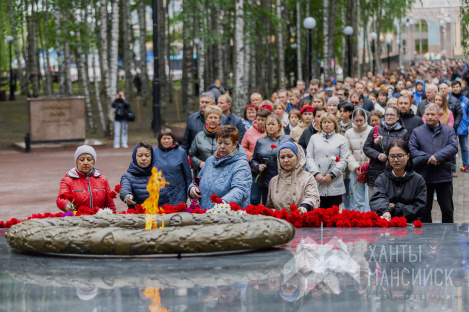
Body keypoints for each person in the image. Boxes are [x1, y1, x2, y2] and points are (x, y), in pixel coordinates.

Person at [409, 103, 459, 223]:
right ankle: (425, 239)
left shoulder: (449, 130)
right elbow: (412, 149)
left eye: (433, 114)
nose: (430, 117)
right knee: (424, 211)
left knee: (447, 211)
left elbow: (453, 146)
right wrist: (429, 158)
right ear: (424, 115)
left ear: (439, 115)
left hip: (443, 177)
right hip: (424, 177)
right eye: (427, 114)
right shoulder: (417, 131)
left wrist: (438, 157)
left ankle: (448, 238)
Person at [188, 126, 251, 209]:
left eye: (226, 143)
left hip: (228, 215)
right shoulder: (210, 160)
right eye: (219, 142)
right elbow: (198, 180)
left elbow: (241, 189)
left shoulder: (241, 164)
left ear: (235, 144)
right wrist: (192, 188)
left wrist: (223, 203)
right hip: (205, 214)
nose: (222, 146)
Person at [369, 139, 427, 222]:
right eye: (392, 156)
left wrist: (396, 207)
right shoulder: (382, 179)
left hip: (410, 225)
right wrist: (385, 211)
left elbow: (419, 207)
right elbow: (378, 199)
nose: (396, 160)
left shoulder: (418, 180)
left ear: (408, 156)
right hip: (387, 224)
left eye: (400, 156)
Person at [363, 105, 409, 199]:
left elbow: (408, 153)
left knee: (392, 203)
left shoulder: (403, 132)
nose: (389, 117)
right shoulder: (376, 130)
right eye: (387, 114)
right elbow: (366, 147)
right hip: (375, 173)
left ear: (397, 117)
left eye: (392, 114)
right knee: (375, 203)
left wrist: (392, 158)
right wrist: (377, 155)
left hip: (395, 173)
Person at [306, 113, 349, 208]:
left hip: (334, 182)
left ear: (334, 124)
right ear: (320, 124)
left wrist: (333, 174)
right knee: (317, 214)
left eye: (329, 122)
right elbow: (309, 157)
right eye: (324, 122)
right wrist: (316, 173)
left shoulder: (341, 139)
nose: (326, 124)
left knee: (332, 218)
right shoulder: (314, 138)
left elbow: (344, 159)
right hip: (318, 181)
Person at [57, 145, 116, 212]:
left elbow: (110, 204)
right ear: (77, 162)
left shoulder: (103, 179)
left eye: (89, 159)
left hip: (99, 220)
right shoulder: (68, 180)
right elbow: (61, 198)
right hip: (77, 220)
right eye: (82, 160)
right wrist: (66, 205)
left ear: (94, 161)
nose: (85, 163)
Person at [251, 114, 294, 204]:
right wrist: (258, 166)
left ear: (279, 126)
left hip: (285, 179)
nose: (270, 127)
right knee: (269, 207)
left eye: (273, 124)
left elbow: (297, 156)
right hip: (266, 181)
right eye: (268, 124)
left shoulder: (287, 139)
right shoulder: (260, 141)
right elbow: (253, 160)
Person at [266, 142, 320, 212]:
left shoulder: (308, 177)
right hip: (280, 221)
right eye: (282, 157)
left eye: (290, 156)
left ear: (298, 157)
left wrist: (303, 208)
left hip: (301, 220)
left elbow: (312, 197)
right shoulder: (274, 181)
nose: (286, 160)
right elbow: (270, 206)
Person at [120, 141, 168, 208]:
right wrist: (127, 196)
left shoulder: (159, 174)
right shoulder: (127, 177)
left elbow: (167, 199)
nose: (144, 158)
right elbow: (124, 190)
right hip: (139, 217)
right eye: (140, 156)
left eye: (147, 155)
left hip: (161, 216)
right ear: (134, 157)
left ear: (152, 157)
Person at [153, 129, 192, 205]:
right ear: (159, 140)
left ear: (173, 139)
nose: (166, 141)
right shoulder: (154, 152)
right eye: (164, 138)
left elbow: (187, 175)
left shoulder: (181, 152)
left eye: (169, 138)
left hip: (177, 192)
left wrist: (189, 191)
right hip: (158, 192)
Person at [345, 108, 372, 212]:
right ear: (353, 120)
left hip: (369, 169)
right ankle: (359, 218)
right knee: (357, 197)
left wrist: (367, 165)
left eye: (361, 120)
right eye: (357, 121)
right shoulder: (348, 133)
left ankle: (369, 218)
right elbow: (348, 152)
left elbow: (373, 149)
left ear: (365, 119)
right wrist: (356, 167)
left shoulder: (371, 130)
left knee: (368, 197)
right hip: (355, 170)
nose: (359, 123)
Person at [241, 108, 270, 205]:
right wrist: (250, 157)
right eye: (259, 119)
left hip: (269, 169)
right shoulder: (249, 131)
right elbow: (243, 147)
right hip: (254, 169)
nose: (260, 122)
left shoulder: (271, 131)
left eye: (263, 120)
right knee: (254, 197)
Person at [189, 105, 223, 173]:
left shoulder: (226, 135)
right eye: (210, 117)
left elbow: (233, 153)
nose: (213, 120)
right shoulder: (199, 136)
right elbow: (192, 155)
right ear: (206, 120)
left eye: (215, 118)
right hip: (204, 172)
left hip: (222, 172)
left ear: (219, 120)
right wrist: (200, 163)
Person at [453, 80, 469, 168]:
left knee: (464, 148)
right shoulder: (450, 99)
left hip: (463, 127)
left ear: (460, 87)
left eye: (457, 87)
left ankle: (466, 165)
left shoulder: (466, 100)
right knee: (452, 149)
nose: (455, 89)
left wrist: (467, 122)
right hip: (452, 127)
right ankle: (453, 168)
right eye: (454, 87)